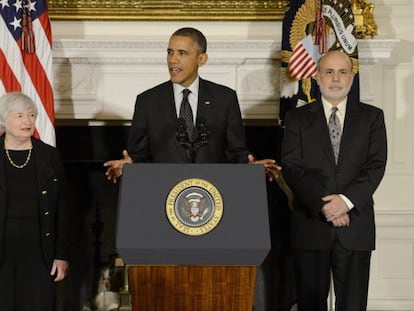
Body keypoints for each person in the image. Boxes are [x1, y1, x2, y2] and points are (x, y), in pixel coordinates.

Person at [281, 50, 387, 311]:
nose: (336, 78)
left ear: (352, 77)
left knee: (352, 305)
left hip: (356, 227)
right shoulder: (297, 118)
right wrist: (326, 205)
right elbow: (292, 168)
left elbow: (376, 165)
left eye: (342, 72)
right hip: (311, 225)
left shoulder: (372, 117)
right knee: (310, 304)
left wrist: (346, 202)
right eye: (329, 72)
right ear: (317, 77)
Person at [104, 27, 280, 182]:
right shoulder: (147, 101)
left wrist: (251, 167)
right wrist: (130, 163)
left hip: (212, 191)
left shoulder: (225, 98)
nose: (173, 60)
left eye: (182, 53)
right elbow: (139, 153)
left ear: (201, 59)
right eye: (170, 52)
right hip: (163, 191)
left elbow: (236, 151)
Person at [0, 92, 70, 311]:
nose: (27, 121)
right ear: (4, 119)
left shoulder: (49, 155)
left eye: (31, 115)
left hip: (40, 248)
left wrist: (61, 255)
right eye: (19, 115)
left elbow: (63, 208)